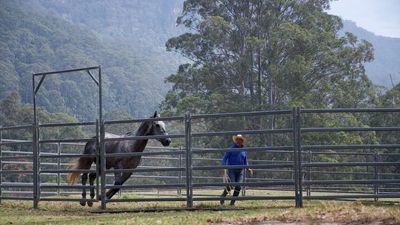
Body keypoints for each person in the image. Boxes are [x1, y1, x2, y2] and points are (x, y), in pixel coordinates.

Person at [220, 134, 253, 206]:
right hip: (232, 170)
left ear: (242, 141)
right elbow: (225, 157)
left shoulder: (244, 150)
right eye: (237, 139)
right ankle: (223, 196)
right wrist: (223, 166)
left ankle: (232, 202)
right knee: (232, 185)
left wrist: (248, 168)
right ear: (235, 141)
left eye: (240, 140)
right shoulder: (231, 149)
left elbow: (245, 160)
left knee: (238, 186)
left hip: (240, 171)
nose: (239, 141)